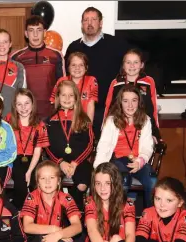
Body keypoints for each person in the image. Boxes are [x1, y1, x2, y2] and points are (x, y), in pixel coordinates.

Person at [65, 7, 130, 139]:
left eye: (93, 19)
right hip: (80, 109)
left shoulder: (116, 44)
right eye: (86, 20)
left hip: (109, 110)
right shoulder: (73, 47)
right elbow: (67, 79)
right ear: (82, 24)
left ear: (100, 23)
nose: (89, 23)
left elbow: (132, 66)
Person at [94, 85, 156, 207]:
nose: (130, 105)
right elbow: (104, 146)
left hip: (138, 160)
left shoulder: (145, 120)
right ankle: (119, 215)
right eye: (125, 101)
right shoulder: (112, 121)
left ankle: (150, 217)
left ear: (139, 102)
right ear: (120, 103)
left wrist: (141, 161)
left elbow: (148, 146)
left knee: (152, 179)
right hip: (118, 160)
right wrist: (98, 169)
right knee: (124, 178)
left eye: (134, 100)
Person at [21, 160, 82, 242]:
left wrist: (59, 234)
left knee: (63, 237)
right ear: (37, 182)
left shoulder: (66, 197)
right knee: (47, 234)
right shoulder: (32, 197)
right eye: (43, 178)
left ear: (59, 180)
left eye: (52, 177)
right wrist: (55, 230)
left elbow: (78, 226)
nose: (48, 182)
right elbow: (27, 226)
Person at [45, 80, 94, 211]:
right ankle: (57, 210)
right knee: (51, 182)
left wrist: (75, 163)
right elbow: (46, 146)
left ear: (76, 98)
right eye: (63, 95)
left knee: (82, 184)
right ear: (57, 97)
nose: (67, 99)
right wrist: (60, 162)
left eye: (71, 95)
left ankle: (74, 211)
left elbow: (89, 145)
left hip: (79, 162)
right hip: (56, 162)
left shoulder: (84, 119)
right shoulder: (50, 120)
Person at [85, 162, 136, 242]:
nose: (102, 188)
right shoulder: (90, 201)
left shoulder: (128, 203)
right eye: (98, 183)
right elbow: (92, 231)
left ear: (116, 183)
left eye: (108, 183)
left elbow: (130, 234)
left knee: (117, 239)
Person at [10, 15, 65, 120]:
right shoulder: (16, 57)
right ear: (26, 34)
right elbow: (13, 89)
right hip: (25, 113)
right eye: (31, 30)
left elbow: (62, 86)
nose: (35, 35)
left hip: (51, 113)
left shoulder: (56, 55)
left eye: (39, 30)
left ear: (44, 33)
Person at [104, 49, 161, 142]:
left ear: (141, 65)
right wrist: (105, 131)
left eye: (136, 62)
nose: (132, 66)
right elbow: (108, 109)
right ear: (123, 65)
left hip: (143, 128)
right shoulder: (115, 83)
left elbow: (153, 109)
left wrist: (155, 133)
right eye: (128, 62)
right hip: (120, 129)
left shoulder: (149, 82)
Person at [6, 89, 49, 209]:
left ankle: (36, 210)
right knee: (21, 181)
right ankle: (19, 210)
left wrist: (30, 171)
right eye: (19, 104)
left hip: (33, 159)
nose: (23, 107)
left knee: (35, 181)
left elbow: (37, 152)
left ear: (33, 104)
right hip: (14, 157)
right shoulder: (8, 120)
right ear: (15, 105)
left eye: (27, 103)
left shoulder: (40, 125)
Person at [50, 52, 98, 121]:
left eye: (81, 65)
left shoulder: (91, 80)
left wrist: (89, 125)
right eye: (73, 65)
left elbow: (91, 105)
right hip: (64, 121)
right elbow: (55, 102)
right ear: (68, 67)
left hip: (82, 121)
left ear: (86, 68)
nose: (77, 68)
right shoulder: (61, 81)